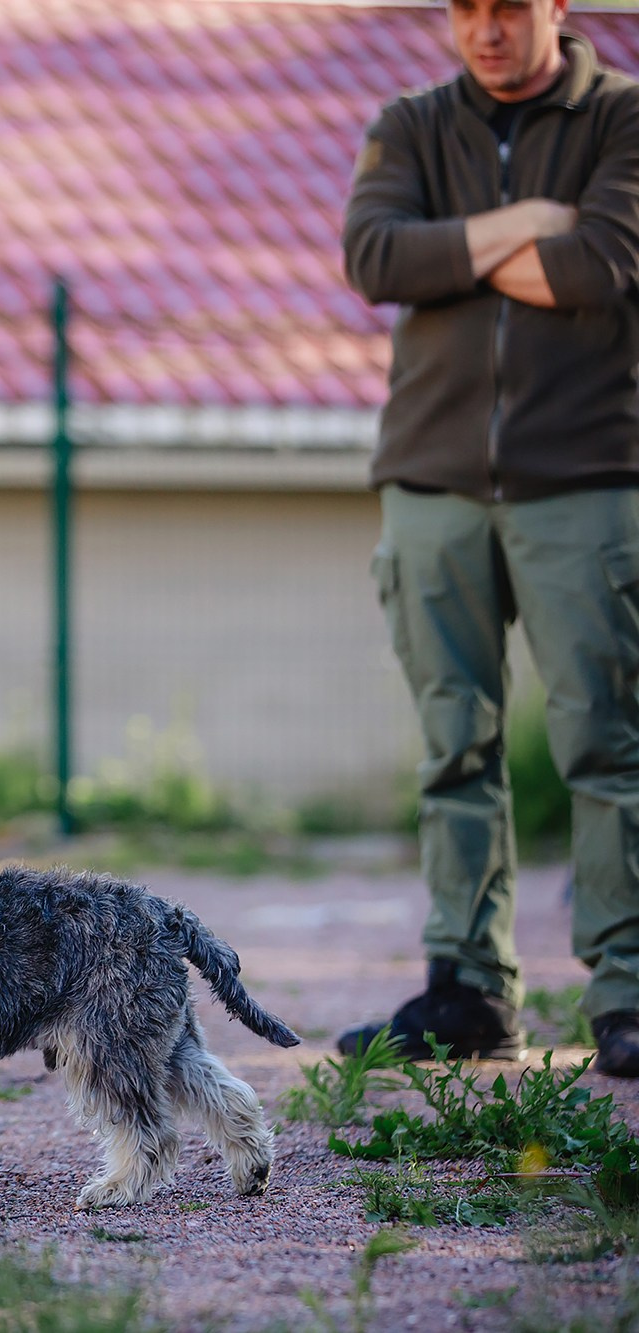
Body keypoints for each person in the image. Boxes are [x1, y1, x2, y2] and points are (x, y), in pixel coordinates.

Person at [340, 0, 639, 1074]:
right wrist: (525, 221)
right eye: (463, 10)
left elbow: (593, 267)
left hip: (585, 481)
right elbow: (373, 258)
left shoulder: (621, 119)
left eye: (506, 8)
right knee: (449, 745)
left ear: (553, 8)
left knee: (608, 743)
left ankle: (624, 993)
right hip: (431, 480)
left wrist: (453, 250)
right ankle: (466, 987)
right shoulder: (409, 125)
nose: (483, 30)